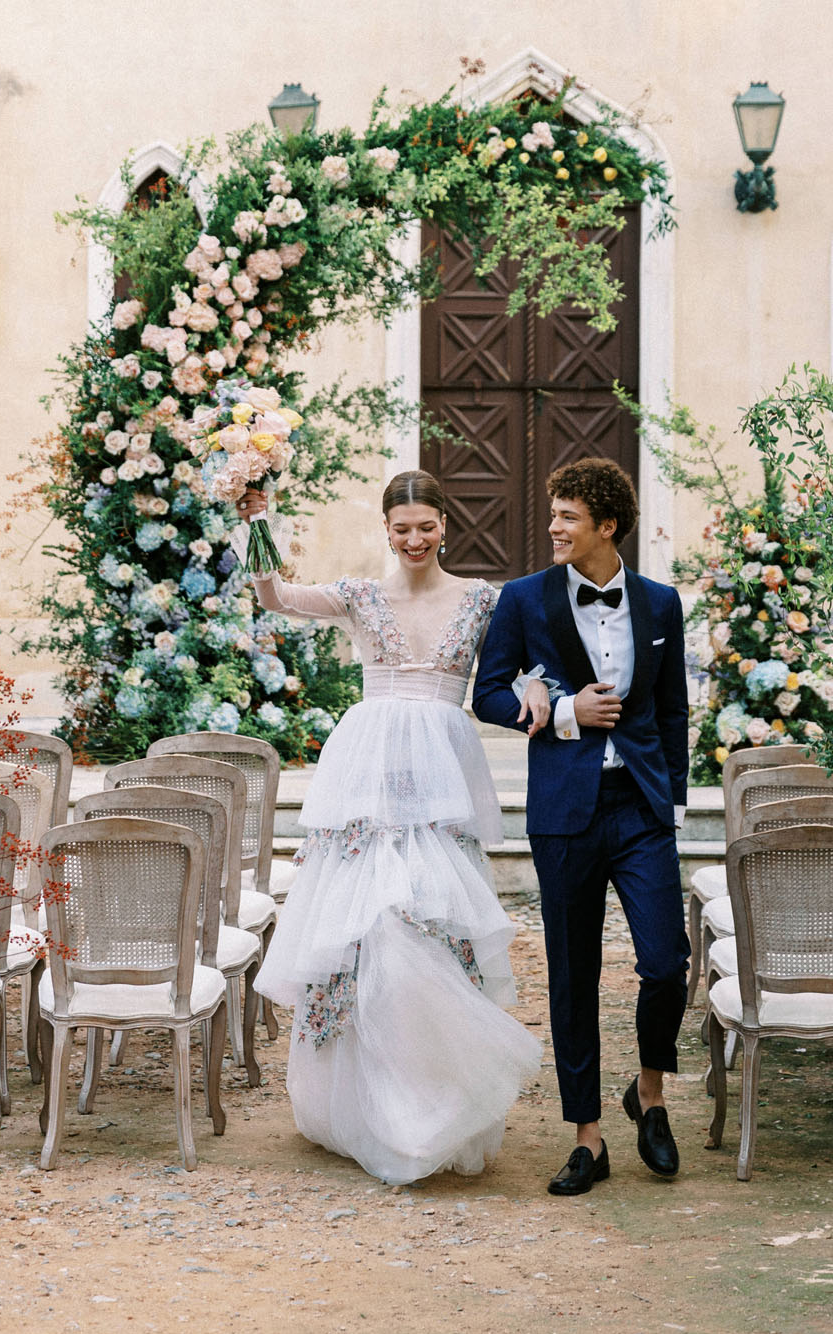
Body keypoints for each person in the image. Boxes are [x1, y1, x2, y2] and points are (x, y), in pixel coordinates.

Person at [238, 470, 545, 1185]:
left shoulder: (481, 598)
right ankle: (362, 1105)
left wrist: (537, 683)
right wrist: (257, 523)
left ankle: (436, 1091)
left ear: (445, 526)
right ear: (386, 530)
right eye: (402, 528)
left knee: (433, 916)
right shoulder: (357, 596)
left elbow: (525, 657)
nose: (415, 539)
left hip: (442, 769)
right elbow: (277, 597)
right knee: (365, 919)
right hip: (369, 766)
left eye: (427, 526)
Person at [472, 457, 689, 1196]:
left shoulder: (660, 604)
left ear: (608, 525)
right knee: (574, 973)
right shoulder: (524, 600)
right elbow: (488, 696)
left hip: (641, 810)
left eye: (568, 516)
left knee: (665, 962)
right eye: (554, 513)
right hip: (564, 812)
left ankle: (650, 1094)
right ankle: (588, 1137)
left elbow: (671, 712)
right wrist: (563, 712)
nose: (554, 528)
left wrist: (674, 802)